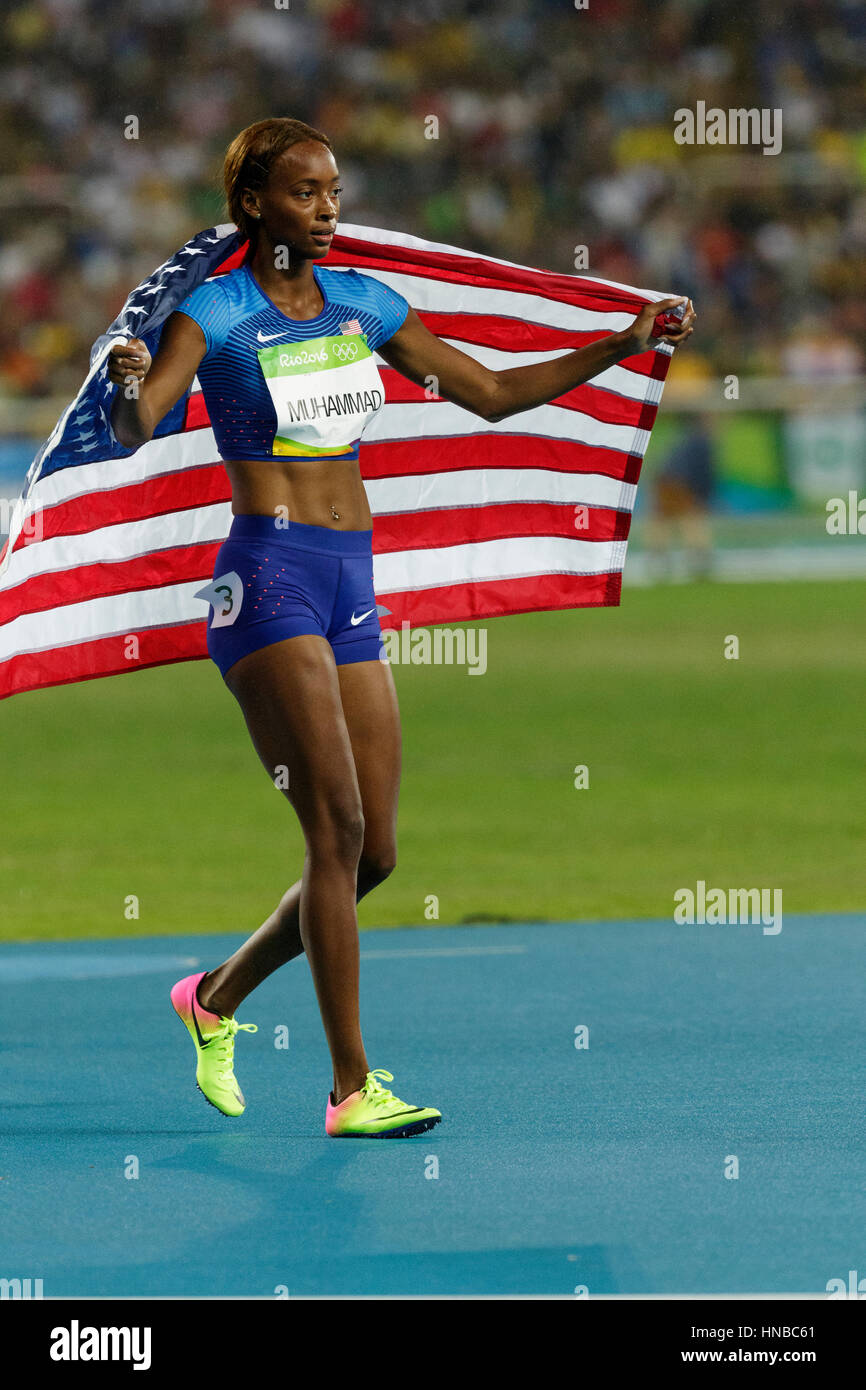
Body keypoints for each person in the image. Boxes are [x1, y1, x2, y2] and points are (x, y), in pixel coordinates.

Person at [108, 117, 695, 1138]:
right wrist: (125, 372)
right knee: (329, 830)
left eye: (333, 189)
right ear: (254, 205)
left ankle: (212, 998)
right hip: (266, 579)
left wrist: (621, 339)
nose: (327, 208)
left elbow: (492, 395)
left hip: (349, 582)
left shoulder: (367, 305)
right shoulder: (217, 311)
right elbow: (137, 423)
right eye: (304, 192)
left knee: (374, 853)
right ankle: (349, 1088)